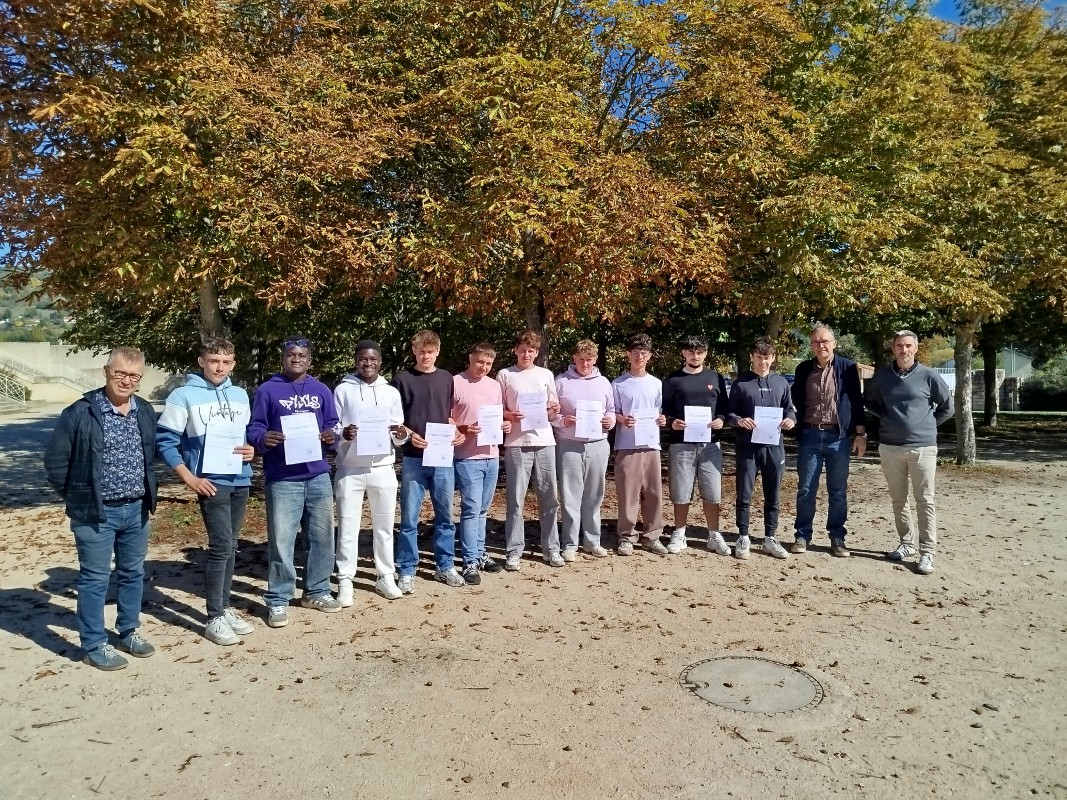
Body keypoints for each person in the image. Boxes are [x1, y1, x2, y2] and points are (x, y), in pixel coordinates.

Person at [44, 347, 158, 670]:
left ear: (140, 379)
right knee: (95, 579)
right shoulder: (80, 412)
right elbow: (55, 462)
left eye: (133, 376)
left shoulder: (145, 411)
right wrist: (77, 496)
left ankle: (129, 631)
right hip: (96, 514)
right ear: (105, 371)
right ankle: (94, 643)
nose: (126, 380)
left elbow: (150, 456)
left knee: (133, 573)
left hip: (136, 510)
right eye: (120, 373)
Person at [157, 337, 257, 646]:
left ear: (233, 364)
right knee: (220, 546)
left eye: (226, 362)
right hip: (210, 481)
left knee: (230, 548)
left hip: (240, 478)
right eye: (214, 361)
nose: (220, 367)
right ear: (202, 361)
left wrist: (251, 450)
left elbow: (243, 437)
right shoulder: (183, 395)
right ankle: (213, 616)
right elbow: (165, 441)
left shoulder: (240, 394)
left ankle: (225, 608)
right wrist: (189, 478)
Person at [246, 336, 341, 627]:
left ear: (310, 359)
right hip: (283, 478)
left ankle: (317, 591)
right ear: (283, 358)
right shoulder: (267, 390)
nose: (296, 359)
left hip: (317, 476)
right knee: (282, 540)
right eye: (291, 354)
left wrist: (331, 436)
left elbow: (333, 424)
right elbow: (254, 428)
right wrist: (264, 439)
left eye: (302, 355)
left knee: (322, 537)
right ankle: (278, 598)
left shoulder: (321, 390)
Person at [864, 330, 953, 575]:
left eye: (908, 346)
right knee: (898, 500)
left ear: (916, 348)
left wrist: (926, 424)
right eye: (899, 346)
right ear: (893, 349)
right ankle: (907, 544)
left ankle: (927, 552)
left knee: (925, 500)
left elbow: (947, 407)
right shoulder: (882, 377)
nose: (904, 350)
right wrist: (888, 417)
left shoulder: (929, 376)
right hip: (890, 447)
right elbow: (870, 403)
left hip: (923, 448)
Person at [332, 340, 407, 605]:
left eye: (373, 359)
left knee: (385, 526)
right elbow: (332, 429)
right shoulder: (342, 390)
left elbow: (399, 429)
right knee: (348, 527)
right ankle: (345, 580)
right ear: (356, 360)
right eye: (363, 359)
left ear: (380, 361)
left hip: (382, 468)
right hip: (350, 469)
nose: (368, 363)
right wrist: (344, 434)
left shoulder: (390, 392)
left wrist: (401, 435)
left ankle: (385, 576)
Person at [392, 330, 466, 590]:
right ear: (414, 351)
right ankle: (407, 570)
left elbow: (446, 414)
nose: (426, 355)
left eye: (430, 351)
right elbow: (396, 420)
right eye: (421, 351)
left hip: (442, 457)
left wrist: (456, 430)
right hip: (414, 458)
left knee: (445, 517)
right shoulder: (402, 379)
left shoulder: (446, 378)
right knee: (409, 519)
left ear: (437, 351)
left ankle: (445, 566)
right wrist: (410, 436)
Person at [789, 325, 867, 558]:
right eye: (815, 342)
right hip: (810, 435)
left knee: (838, 490)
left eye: (824, 341)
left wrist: (860, 435)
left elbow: (856, 401)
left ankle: (837, 537)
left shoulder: (847, 368)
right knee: (805, 489)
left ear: (834, 343)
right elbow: (796, 400)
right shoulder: (803, 369)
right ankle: (802, 535)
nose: (820, 345)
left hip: (839, 438)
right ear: (811, 345)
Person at [498, 330, 563, 569]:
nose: (526, 354)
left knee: (549, 498)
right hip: (517, 443)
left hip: (545, 441)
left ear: (537, 352)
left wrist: (552, 408)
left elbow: (553, 410)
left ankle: (552, 549)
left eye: (531, 350)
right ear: (516, 350)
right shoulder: (505, 375)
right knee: (516, 499)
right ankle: (514, 551)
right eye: (522, 349)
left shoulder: (546, 374)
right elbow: (498, 408)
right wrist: (508, 414)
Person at [727, 336, 797, 560]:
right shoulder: (740, 383)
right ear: (751, 358)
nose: (763, 362)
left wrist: (791, 420)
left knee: (773, 493)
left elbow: (790, 410)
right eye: (759, 358)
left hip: (774, 447)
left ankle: (770, 537)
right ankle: (743, 535)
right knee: (744, 492)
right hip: (748, 446)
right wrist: (739, 420)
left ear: (773, 358)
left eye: (767, 358)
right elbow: (729, 414)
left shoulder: (781, 383)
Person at [661, 335, 731, 556]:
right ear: (684, 353)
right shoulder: (672, 380)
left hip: (711, 445)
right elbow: (663, 411)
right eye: (691, 352)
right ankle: (680, 533)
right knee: (681, 492)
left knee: (712, 492)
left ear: (705, 353)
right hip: (681, 445)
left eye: (699, 352)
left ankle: (714, 535)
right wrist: (673, 422)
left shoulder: (715, 377)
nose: (695, 356)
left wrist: (721, 419)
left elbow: (724, 409)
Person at [452, 342, 511, 584]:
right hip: (467, 457)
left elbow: (498, 415)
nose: (483, 367)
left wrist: (505, 426)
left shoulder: (494, 385)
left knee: (483, 510)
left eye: (488, 364)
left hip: (492, 455)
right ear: (470, 358)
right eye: (480, 362)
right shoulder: (455, 382)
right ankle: (469, 561)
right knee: (471, 509)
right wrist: (462, 428)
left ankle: (480, 553)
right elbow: (445, 416)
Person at [552, 339, 616, 558]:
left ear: (595, 360)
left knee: (595, 495)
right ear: (574, 359)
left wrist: (610, 420)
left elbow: (611, 410)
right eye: (581, 359)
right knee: (570, 496)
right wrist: (562, 421)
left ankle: (592, 541)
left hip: (598, 444)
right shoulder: (560, 381)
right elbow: (551, 414)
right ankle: (569, 544)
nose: (585, 364)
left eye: (589, 360)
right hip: (569, 445)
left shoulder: (604, 382)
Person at [611, 333, 668, 555]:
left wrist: (662, 419)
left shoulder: (656, 383)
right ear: (629, 355)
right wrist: (621, 419)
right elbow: (612, 411)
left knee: (653, 492)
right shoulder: (618, 383)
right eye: (635, 353)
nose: (639, 357)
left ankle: (652, 536)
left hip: (651, 444)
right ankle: (626, 536)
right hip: (627, 444)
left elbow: (659, 412)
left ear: (649, 356)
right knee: (628, 493)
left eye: (643, 353)